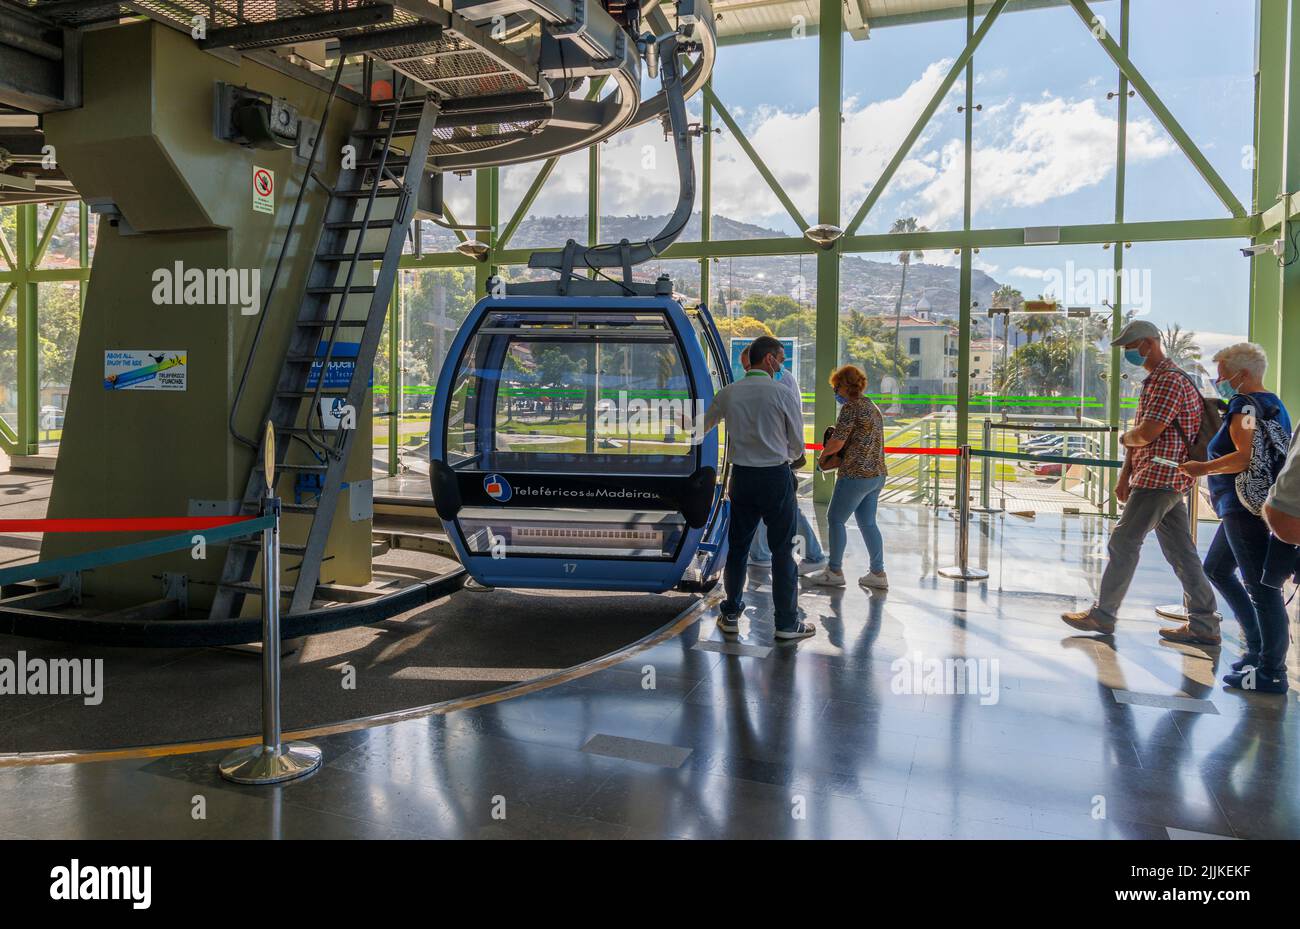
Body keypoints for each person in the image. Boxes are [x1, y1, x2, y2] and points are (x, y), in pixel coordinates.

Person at [1061, 319, 1223, 645]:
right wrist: (1126, 475)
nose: (1129, 354)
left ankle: (1103, 614)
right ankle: (1204, 624)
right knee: (1181, 551)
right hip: (1160, 475)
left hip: (1162, 476)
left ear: (1150, 343)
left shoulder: (1168, 382)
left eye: (1132, 347)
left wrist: (1125, 437)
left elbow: (1146, 433)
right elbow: (1143, 439)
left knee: (1123, 542)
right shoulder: (1158, 380)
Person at [1178, 343, 1290, 693]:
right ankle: (1256, 650)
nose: (1219, 379)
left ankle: (1270, 671)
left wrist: (1202, 468)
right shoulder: (1274, 404)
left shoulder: (1243, 405)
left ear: (1242, 375)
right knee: (1217, 569)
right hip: (1253, 505)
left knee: (1261, 587)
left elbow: (1242, 457)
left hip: (1243, 507)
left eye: (1223, 373)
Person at [701, 336, 814, 640]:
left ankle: (731, 614)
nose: (781, 365)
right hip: (776, 477)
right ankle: (787, 623)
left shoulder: (729, 393)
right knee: (783, 551)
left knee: (738, 548)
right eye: (780, 359)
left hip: (743, 478)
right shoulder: (782, 393)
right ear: (768, 359)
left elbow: (703, 427)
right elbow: (796, 445)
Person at [737, 345, 829, 575]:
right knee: (769, 507)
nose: (747, 372)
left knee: (789, 510)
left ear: (762, 361)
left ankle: (813, 554)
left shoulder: (779, 384)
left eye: (748, 367)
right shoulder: (781, 381)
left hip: (779, 457)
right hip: (775, 456)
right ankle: (759, 554)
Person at [806, 365, 889, 590]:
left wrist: (823, 459)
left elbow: (838, 441)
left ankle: (834, 570)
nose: (835, 391)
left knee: (835, 519)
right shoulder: (872, 406)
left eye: (836, 387)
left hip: (855, 474)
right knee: (868, 523)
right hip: (877, 474)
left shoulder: (851, 408)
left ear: (844, 385)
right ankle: (878, 572)